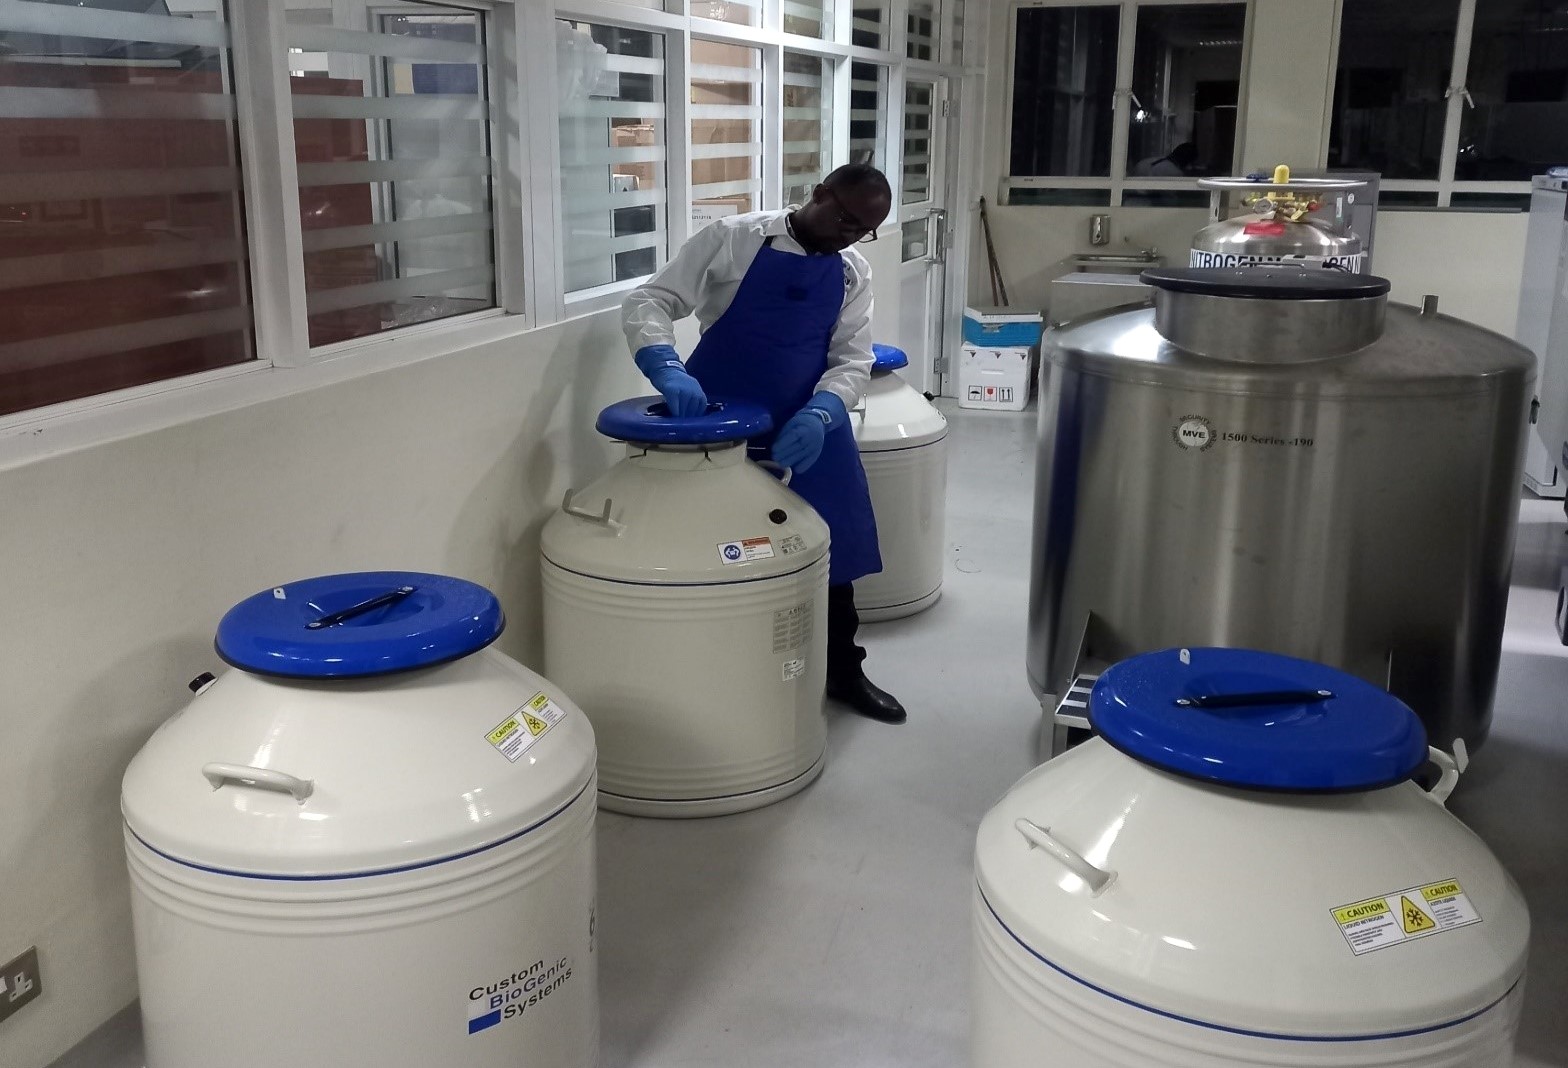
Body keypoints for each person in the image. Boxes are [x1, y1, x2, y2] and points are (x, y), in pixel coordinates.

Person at [621, 164, 905, 724]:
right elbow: (650, 301)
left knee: (835, 548)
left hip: (810, 420)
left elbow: (850, 358)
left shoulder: (852, 271)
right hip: (721, 419)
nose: (849, 234)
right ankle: (717, 677)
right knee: (722, 549)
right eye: (846, 217)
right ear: (819, 194)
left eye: (863, 229)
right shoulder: (732, 239)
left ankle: (842, 671)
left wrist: (824, 412)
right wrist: (666, 365)